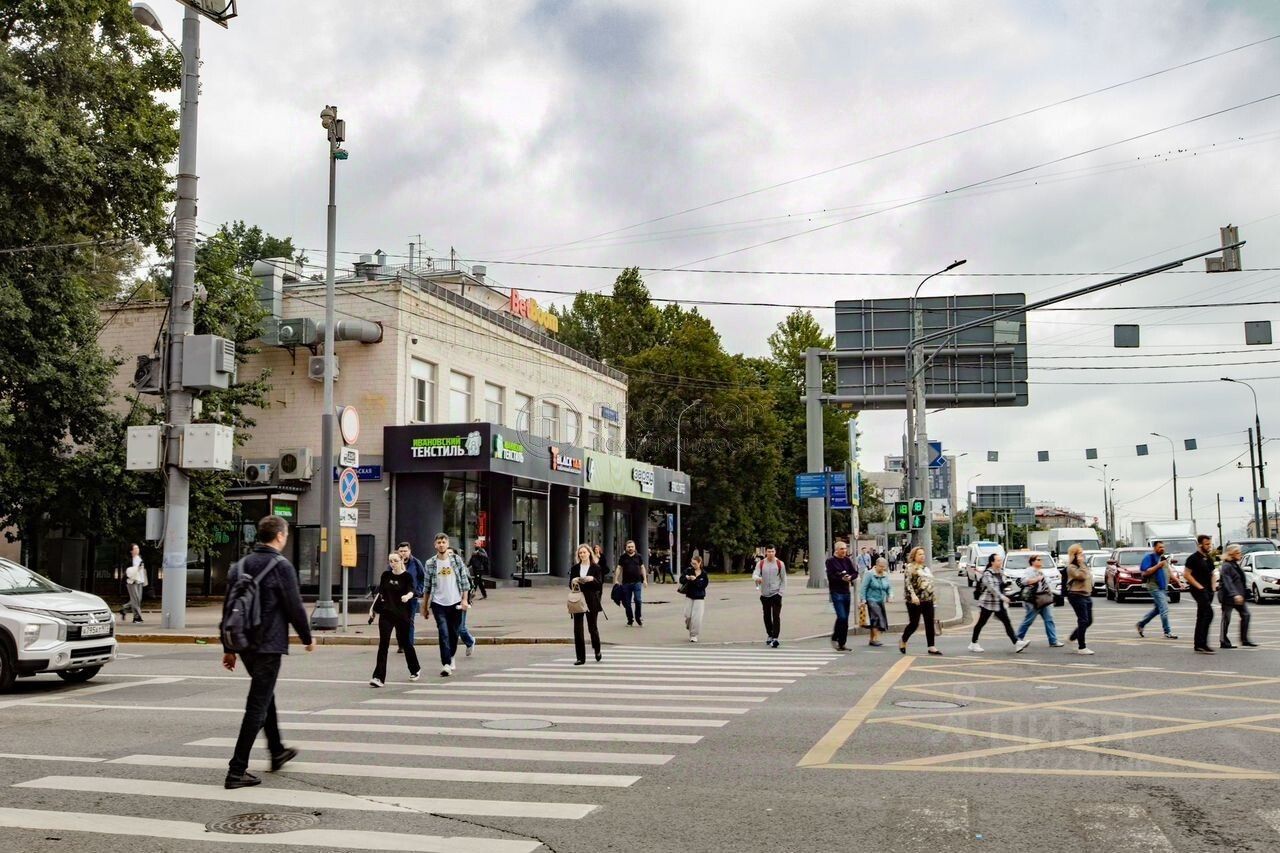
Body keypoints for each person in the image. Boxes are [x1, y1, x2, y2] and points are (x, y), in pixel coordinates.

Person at [220, 515, 315, 790]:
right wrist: (307, 637)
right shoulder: (281, 566)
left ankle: (277, 750)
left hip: (243, 644)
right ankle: (236, 770)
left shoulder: (239, 566)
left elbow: (229, 608)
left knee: (265, 696)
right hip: (268, 645)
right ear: (280, 536)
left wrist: (228, 648)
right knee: (257, 705)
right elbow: (294, 606)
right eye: (285, 535)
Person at [423, 532, 472, 677]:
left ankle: (451, 656)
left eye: (443, 542)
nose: (441, 545)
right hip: (438, 603)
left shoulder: (456, 560)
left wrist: (464, 600)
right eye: (439, 542)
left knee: (454, 633)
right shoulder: (430, 563)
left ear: (448, 544)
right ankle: (446, 664)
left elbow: (465, 582)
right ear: (435, 545)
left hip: (455, 602)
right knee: (443, 632)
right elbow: (427, 587)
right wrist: (425, 606)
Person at [370, 552, 421, 687]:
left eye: (395, 561)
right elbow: (380, 593)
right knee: (383, 644)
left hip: (402, 615)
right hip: (386, 614)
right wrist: (372, 609)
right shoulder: (386, 575)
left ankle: (415, 669)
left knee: (405, 642)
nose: (393, 563)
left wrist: (407, 597)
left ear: (402, 561)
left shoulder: (407, 577)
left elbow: (412, 590)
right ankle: (378, 677)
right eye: (390, 561)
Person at [969, 554, 1020, 653]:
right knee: (981, 623)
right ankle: (973, 643)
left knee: (1007, 622)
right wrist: (1003, 597)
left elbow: (1001, 585)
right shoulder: (988, 574)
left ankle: (1017, 643)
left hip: (997, 603)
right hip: (988, 603)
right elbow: (992, 588)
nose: (1000, 562)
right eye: (998, 560)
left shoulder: (1000, 572)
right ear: (992, 562)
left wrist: (1007, 584)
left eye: (1000, 560)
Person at [900, 547, 941, 655]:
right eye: (919, 554)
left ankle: (931, 646)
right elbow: (908, 583)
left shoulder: (925, 568)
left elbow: (930, 583)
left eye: (923, 554)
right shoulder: (910, 567)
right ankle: (903, 639)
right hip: (915, 601)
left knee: (929, 622)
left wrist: (933, 598)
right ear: (914, 556)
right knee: (914, 624)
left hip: (928, 599)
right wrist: (913, 596)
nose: (922, 556)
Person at [1016, 554, 1061, 651]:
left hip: (1044, 598)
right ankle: (1018, 639)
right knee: (1028, 620)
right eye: (1038, 559)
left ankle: (1053, 641)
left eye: (1041, 560)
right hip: (1034, 599)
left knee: (1049, 619)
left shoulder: (1041, 571)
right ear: (1033, 562)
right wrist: (1036, 579)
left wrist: (1051, 595)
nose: (1040, 561)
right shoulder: (1029, 570)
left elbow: (1046, 584)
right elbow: (1023, 581)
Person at [1135, 540, 1178, 640]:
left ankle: (1141, 624)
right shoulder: (1149, 558)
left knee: (1157, 609)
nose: (1162, 549)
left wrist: (1178, 581)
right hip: (1154, 587)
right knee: (1164, 609)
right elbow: (1145, 572)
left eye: (1163, 547)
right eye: (1160, 547)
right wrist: (1158, 566)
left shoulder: (1163, 558)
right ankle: (1167, 632)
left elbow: (1168, 571)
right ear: (1154, 548)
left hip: (1163, 587)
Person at [570, 544, 605, 664]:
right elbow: (570, 585)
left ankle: (597, 649)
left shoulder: (596, 568)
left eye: (584, 552)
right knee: (578, 629)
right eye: (580, 553)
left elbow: (599, 585)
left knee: (592, 627)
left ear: (589, 553)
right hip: (578, 599)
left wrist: (592, 579)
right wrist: (574, 581)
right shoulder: (575, 568)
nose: (582, 554)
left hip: (591, 599)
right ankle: (580, 657)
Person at [1219, 544, 1256, 649]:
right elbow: (1228, 582)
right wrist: (1235, 594)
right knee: (1226, 618)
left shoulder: (1235, 564)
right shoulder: (1226, 566)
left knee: (1246, 615)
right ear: (1231, 554)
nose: (1241, 554)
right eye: (1238, 552)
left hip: (1239, 596)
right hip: (1229, 596)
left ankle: (1244, 640)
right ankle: (1223, 641)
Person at [1184, 534, 1217, 654]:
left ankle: (1199, 644)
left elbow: (1212, 573)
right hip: (1198, 590)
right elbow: (1186, 574)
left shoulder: (1208, 558)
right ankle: (1202, 643)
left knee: (1202, 615)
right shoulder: (1193, 558)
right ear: (1200, 545)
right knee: (1209, 613)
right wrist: (1199, 586)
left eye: (1210, 544)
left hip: (1208, 590)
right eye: (1206, 544)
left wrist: (1213, 587)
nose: (1209, 546)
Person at [826, 541, 859, 651]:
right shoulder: (831, 561)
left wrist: (850, 577)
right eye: (842, 549)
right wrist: (841, 577)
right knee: (842, 617)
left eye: (845, 549)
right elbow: (831, 576)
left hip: (846, 592)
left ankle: (842, 643)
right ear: (836, 550)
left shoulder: (847, 560)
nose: (844, 551)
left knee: (845, 619)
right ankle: (835, 637)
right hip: (836, 592)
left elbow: (855, 573)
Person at [752, 544, 786, 648]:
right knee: (766, 616)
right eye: (769, 551)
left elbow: (783, 579)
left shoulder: (780, 564)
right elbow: (755, 574)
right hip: (765, 594)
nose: (770, 553)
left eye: (772, 551)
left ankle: (775, 637)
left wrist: (780, 593)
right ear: (766, 552)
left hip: (776, 594)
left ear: (775, 552)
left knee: (776, 616)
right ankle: (770, 634)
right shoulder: (761, 563)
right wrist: (757, 578)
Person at [1064, 544, 1094, 655]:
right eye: (1080, 553)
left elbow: (1088, 577)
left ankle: (1072, 637)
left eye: (1082, 553)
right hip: (1076, 595)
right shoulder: (1071, 567)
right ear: (1074, 555)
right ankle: (1082, 647)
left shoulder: (1083, 565)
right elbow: (1081, 576)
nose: (1082, 555)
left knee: (1089, 621)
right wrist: (1081, 564)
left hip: (1086, 595)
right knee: (1083, 620)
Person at [395, 542, 425, 654]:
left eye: (405, 551)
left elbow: (422, 578)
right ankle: (401, 644)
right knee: (398, 621)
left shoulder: (416, 563)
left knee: (409, 621)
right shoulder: (394, 562)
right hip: (397, 598)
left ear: (409, 551)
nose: (403, 553)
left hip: (412, 597)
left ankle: (409, 645)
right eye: (401, 551)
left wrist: (418, 591)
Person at [448, 546, 478, 657]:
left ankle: (470, 641)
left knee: (460, 628)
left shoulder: (461, 567)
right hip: (448, 601)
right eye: (447, 553)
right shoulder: (442, 567)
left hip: (461, 601)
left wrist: (465, 599)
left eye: (451, 553)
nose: (449, 555)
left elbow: (467, 584)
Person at [861, 557, 892, 647]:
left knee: (874, 618)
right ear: (876, 565)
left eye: (884, 567)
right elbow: (864, 587)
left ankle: (872, 639)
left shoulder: (885, 575)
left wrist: (890, 595)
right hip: (871, 599)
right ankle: (876, 639)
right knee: (876, 617)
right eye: (881, 566)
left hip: (880, 599)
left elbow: (889, 587)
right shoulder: (869, 574)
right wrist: (863, 599)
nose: (882, 568)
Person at [614, 540, 647, 626]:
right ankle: (630, 620)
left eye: (632, 547)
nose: (630, 548)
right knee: (627, 603)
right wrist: (616, 579)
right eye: (629, 547)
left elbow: (642, 567)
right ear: (626, 548)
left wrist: (645, 580)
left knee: (638, 600)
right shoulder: (623, 557)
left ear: (634, 547)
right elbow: (619, 568)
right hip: (626, 583)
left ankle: (638, 618)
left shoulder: (638, 556)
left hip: (637, 582)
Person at [681, 555, 709, 642]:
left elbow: (703, 585)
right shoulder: (688, 570)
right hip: (689, 596)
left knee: (696, 618)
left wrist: (695, 580)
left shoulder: (704, 574)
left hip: (699, 598)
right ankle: (689, 625)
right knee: (688, 615)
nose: (693, 565)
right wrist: (687, 578)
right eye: (692, 563)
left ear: (699, 563)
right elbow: (681, 580)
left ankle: (693, 635)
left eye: (695, 563)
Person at [120, 543, 147, 623]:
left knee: (138, 599)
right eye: (135, 548)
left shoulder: (139, 558)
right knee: (135, 600)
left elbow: (142, 570)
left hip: (140, 581)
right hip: (131, 581)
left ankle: (124, 608)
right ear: (131, 551)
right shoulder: (129, 560)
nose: (137, 550)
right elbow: (127, 571)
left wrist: (144, 580)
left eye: (138, 548)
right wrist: (137, 568)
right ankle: (137, 617)